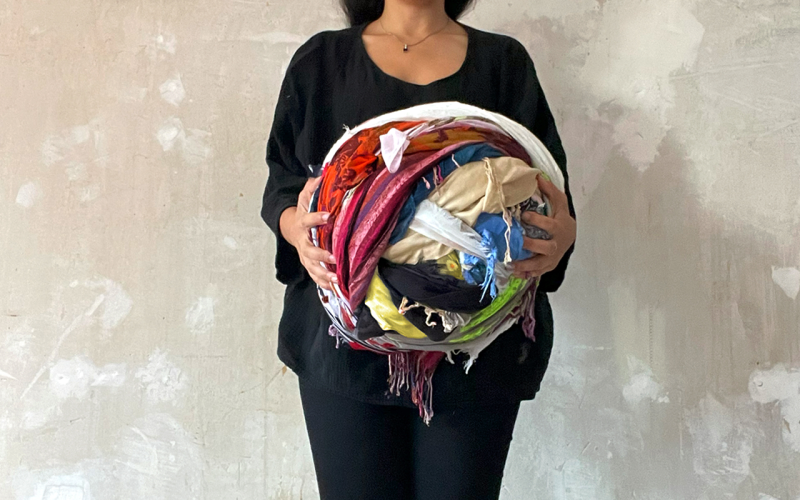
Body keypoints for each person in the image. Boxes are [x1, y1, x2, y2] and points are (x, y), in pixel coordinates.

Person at [260, 0, 577, 498]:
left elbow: (546, 186)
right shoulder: (321, 61)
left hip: (474, 357)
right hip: (343, 353)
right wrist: (294, 226)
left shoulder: (503, 63)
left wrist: (561, 238)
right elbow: (282, 180)